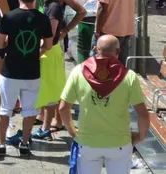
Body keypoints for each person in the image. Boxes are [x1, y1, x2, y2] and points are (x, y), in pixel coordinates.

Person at [59, 34, 148, 174]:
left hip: (87, 143)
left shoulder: (78, 72)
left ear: (95, 49)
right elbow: (142, 114)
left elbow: (63, 107)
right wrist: (141, 136)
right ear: (118, 52)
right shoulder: (129, 76)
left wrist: (72, 131)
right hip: (119, 144)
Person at [0, 0, 53, 158]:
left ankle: (1, 143)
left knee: (4, 109)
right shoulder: (42, 19)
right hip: (32, 71)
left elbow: (0, 43)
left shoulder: (9, 17)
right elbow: (48, 45)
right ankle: (25, 144)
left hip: (10, 71)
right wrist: (36, 51)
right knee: (29, 110)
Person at [32, 0, 68, 141]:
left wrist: (38, 54)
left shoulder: (54, 7)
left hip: (49, 52)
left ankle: (46, 128)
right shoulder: (42, 2)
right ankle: (44, 125)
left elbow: (51, 36)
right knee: (45, 91)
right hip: (45, 51)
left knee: (50, 93)